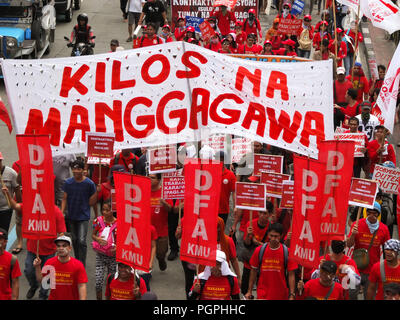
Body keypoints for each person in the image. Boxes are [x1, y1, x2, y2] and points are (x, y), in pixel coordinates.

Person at [2, 186, 66, 300]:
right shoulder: (30, 207)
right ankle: (34, 285)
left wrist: (61, 247)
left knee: (47, 277)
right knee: (29, 271)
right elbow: (16, 206)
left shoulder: (56, 211)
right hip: (32, 249)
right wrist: (7, 194)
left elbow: (61, 233)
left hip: (49, 251)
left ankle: (43, 295)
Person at [347, 201, 390, 299]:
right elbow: (349, 245)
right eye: (369, 211)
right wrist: (353, 234)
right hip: (355, 269)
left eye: (375, 212)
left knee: (370, 296)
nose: (372, 214)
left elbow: (388, 249)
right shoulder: (356, 224)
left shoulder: (384, 228)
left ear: (378, 214)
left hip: (372, 270)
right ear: (366, 212)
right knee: (351, 295)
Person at [245, 223, 297, 300]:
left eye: (276, 236)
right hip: (262, 294)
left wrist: (292, 294)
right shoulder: (259, 250)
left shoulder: (287, 252)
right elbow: (253, 271)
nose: (273, 238)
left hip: (281, 295)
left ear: (281, 236)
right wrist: (249, 291)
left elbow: (291, 274)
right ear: (268, 234)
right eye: (271, 236)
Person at [61, 160, 97, 267]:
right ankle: (78, 261)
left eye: (79, 169)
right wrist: (61, 212)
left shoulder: (89, 184)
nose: (76, 171)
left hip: (83, 216)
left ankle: (82, 264)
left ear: (83, 170)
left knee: (81, 240)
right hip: (71, 216)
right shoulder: (68, 183)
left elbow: (93, 201)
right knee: (75, 240)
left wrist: (96, 215)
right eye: (74, 169)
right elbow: (64, 198)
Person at [34, 235, 88, 300]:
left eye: (64, 245)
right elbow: (42, 281)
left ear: (70, 248)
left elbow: (82, 286)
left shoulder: (78, 265)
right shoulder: (49, 262)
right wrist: (37, 267)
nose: (61, 248)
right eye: (58, 246)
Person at [91, 201, 117, 300]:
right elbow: (93, 235)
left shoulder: (119, 223)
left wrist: (117, 248)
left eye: (107, 210)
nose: (105, 212)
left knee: (111, 282)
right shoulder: (98, 221)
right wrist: (97, 239)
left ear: (113, 210)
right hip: (100, 255)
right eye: (103, 210)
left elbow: (122, 240)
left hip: (113, 257)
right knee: (98, 282)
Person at [149, 173, 173, 271]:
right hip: (147, 229)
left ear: (159, 180)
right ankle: (147, 271)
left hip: (161, 230)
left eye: (152, 178)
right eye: (149, 177)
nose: (150, 179)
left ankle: (161, 259)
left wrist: (164, 203)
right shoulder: (143, 190)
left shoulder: (164, 192)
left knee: (161, 253)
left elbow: (170, 209)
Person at [0, 152, 20, 233]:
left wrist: (19, 207)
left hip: (6, 209)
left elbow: (17, 189)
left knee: (3, 235)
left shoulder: (11, 173)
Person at [0, 228, 21, 300]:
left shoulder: (12, 259)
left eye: (0, 239)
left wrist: (14, 298)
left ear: (5, 242)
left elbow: (15, 282)